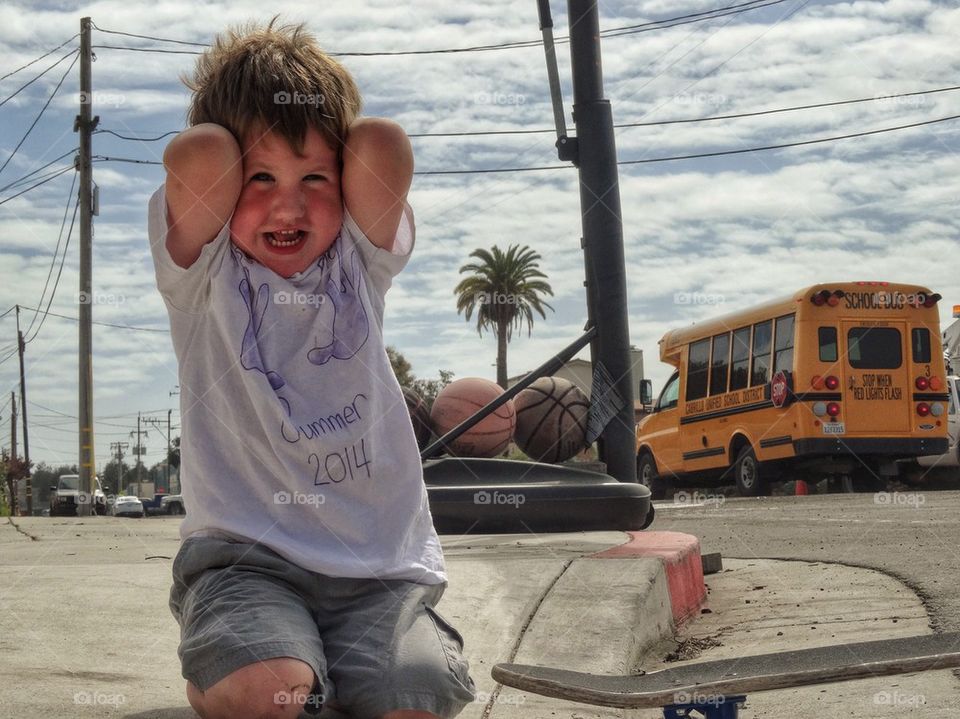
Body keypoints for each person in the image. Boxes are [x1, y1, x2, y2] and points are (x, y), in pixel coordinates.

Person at [149, 19, 475, 719]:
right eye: (260, 177)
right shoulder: (203, 273)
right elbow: (197, 155)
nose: (288, 205)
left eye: (315, 178)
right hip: (246, 563)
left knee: (414, 701)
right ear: (232, 179)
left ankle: (328, 665)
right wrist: (241, 134)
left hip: (376, 575)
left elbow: (383, 145)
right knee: (274, 694)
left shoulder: (360, 257)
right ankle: (233, 664)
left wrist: (322, 125)